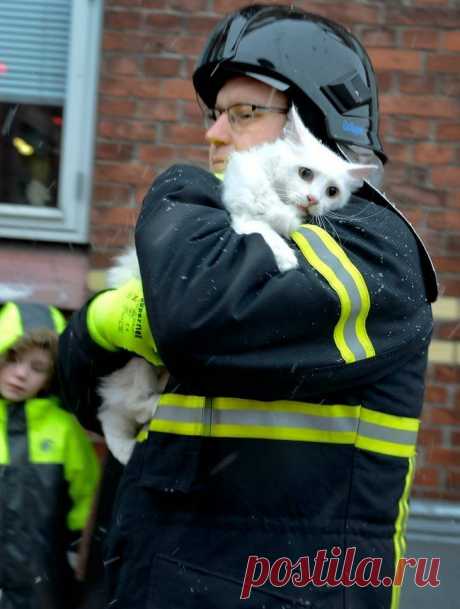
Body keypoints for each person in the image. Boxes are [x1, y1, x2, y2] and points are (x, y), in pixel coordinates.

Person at [58, 5, 438, 608]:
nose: (213, 134)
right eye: (213, 115)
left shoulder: (372, 247)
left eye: (243, 113)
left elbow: (197, 317)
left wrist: (178, 194)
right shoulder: (223, 236)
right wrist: (100, 323)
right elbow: (77, 386)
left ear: (313, 123)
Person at [0, 301, 101, 609]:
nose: (20, 374)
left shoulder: (64, 431)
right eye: (12, 358)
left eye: (37, 367)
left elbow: (86, 499)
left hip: (41, 579)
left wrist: (77, 549)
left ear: (51, 376)